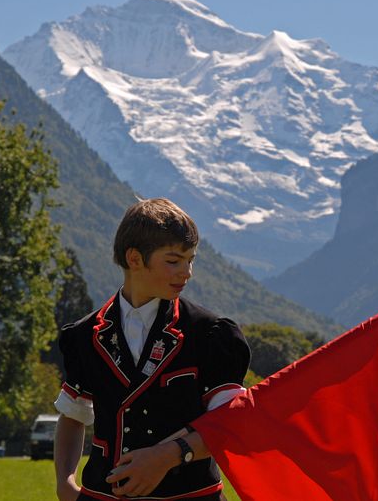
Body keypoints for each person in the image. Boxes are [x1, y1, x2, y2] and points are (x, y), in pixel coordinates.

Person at [54, 198, 250, 500]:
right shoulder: (84, 335)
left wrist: (170, 455)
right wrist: (64, 483)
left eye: (190, 259)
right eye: (173, 261)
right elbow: (73, 415)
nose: (186, 272)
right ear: (134, 259)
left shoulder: (211, 334)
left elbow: (232, 425)